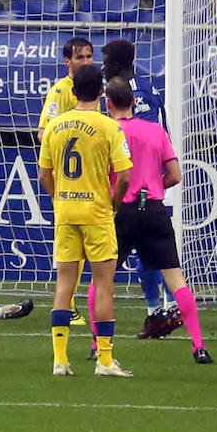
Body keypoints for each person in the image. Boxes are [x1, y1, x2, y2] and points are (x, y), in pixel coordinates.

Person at [89, 77, 212, 365]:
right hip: (154, 208)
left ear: (108, 103)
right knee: (176, 279)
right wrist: (154, 185)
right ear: (134, 102)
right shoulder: (156, 130)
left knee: (102, 280)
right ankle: (199, 347)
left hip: (121, 210)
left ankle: (97, 345)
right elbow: (176, 175)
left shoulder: (108, 130)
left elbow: (105, 175)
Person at [38, 64, 134, 377]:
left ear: (74, 91)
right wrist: (113, 205)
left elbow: (44, 174)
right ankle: (104, 360)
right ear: (102, 92)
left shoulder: (54, 126)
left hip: (66, 212)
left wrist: (59, 199)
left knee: (64, 284)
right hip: (96, 212)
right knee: (104, 285)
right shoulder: (109, 127)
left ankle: (59, 360)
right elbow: (125, 176)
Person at [101, 38, 172, 329]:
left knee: (120, 254)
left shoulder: (135, 93)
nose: (102, 68)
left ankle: (164, 307)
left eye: (106, 62)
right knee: (147, 248)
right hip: (146, 178)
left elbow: (138, 139)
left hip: (136, 181)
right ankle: (159, 308)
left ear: (117, 64)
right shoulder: (145, 86)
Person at [36, 36, 95, 327]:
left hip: (88, 180)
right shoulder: (60, 92)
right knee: (70, 247)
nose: (85, 61)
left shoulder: (93, 89)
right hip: (67, 181)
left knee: (83, 247)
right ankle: (67, 306)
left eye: (89, 56)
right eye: (79, 57)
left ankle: (69, 303)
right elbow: (43, 132)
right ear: (67, 61)